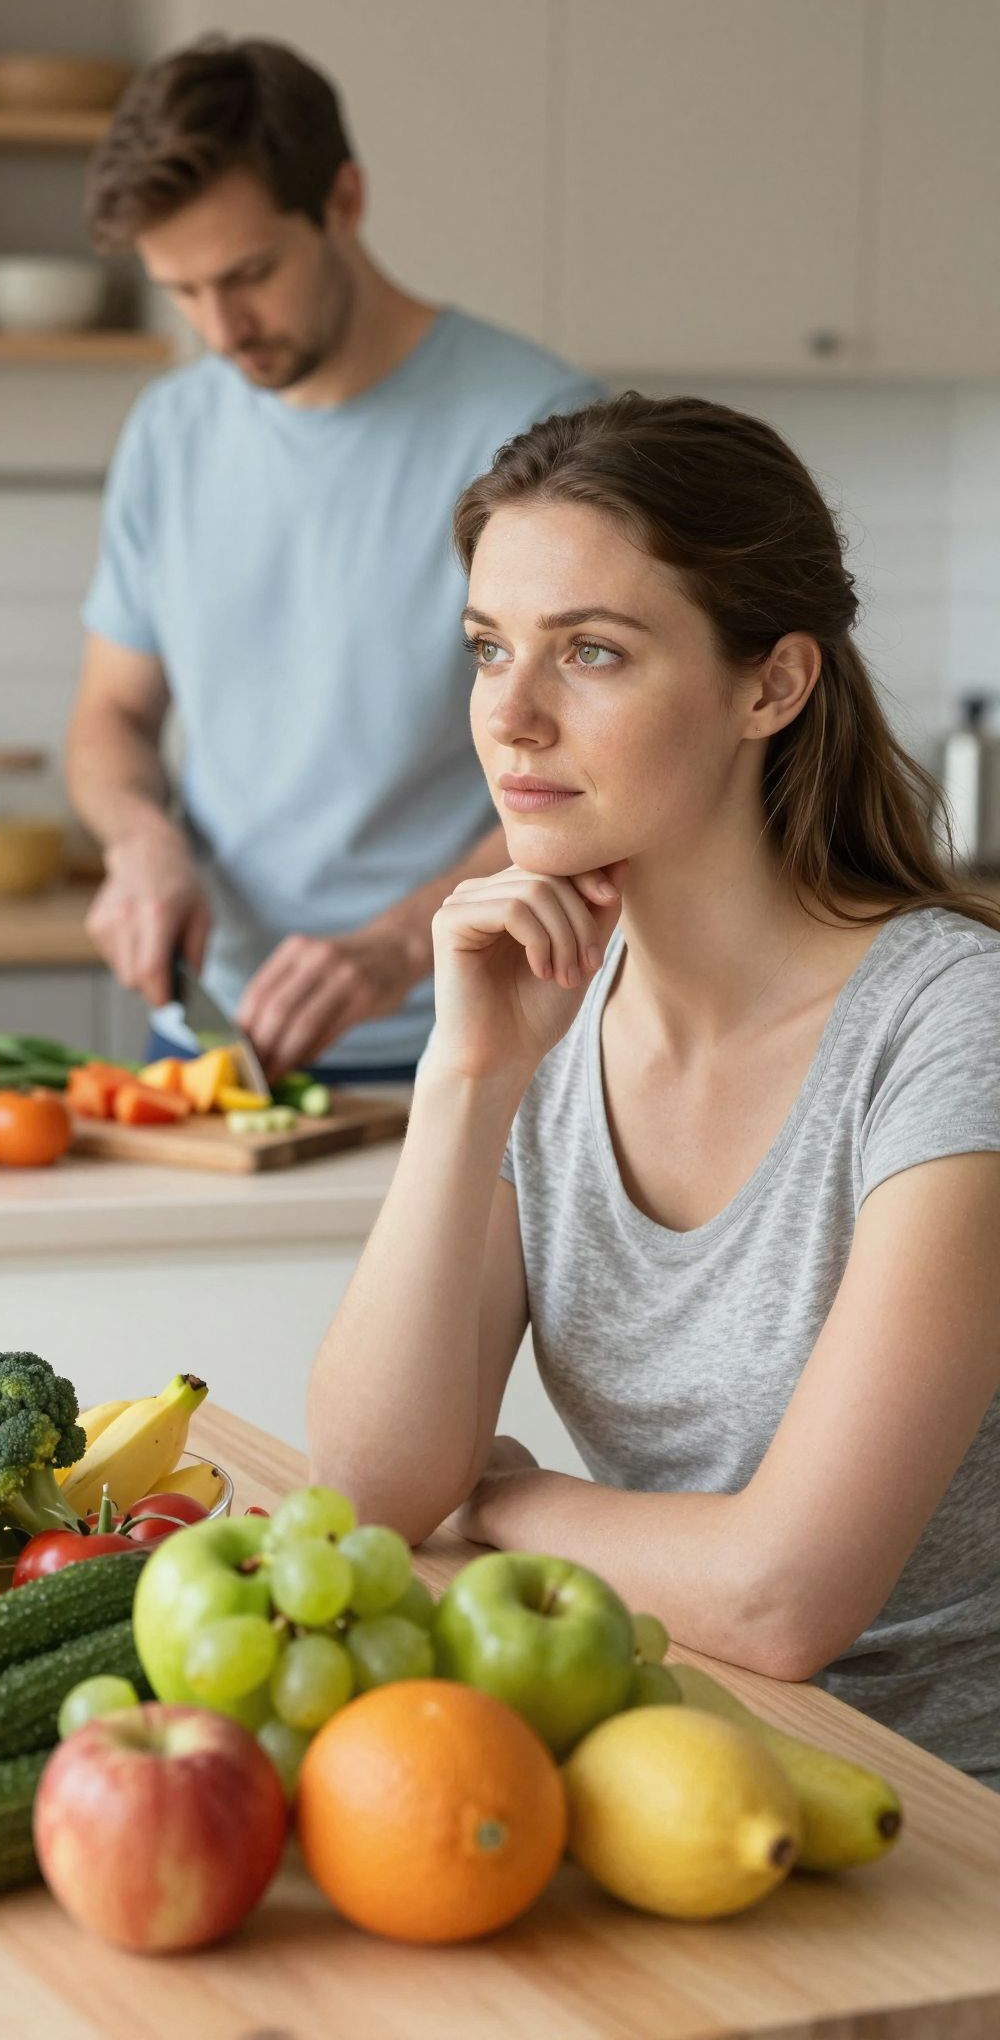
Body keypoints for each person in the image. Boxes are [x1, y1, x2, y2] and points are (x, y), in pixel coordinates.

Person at [307, 391, 1000, 1788]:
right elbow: (368, 1493)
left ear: (772, 686)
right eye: (488, 647)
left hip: (935, 1819)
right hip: (664, 1763)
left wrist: (511, 1501)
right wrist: (467, 1077)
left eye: (593, 652)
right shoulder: (546, 1014)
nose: (511, 716)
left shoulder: (950, 1026)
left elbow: (782, 1596)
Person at [67, 36, 601, 1079]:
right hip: (212, 1031)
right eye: (182, 290)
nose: (221, 328)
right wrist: (140, 839)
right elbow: (111, 715)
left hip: (475, 1034)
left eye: (250, 274)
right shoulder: (171, 432)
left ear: (344, 201)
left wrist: (400, 945)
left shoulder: (540, 428)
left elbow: (598, 767)